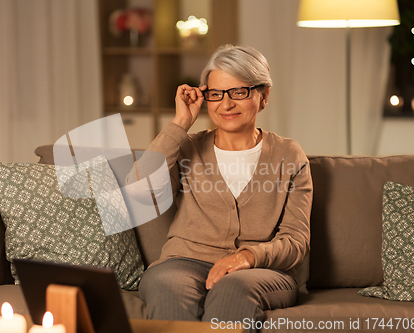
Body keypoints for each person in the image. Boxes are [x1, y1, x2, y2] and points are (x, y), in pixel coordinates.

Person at [134, 44, 313, 330]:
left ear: (263, 96)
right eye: (215, 94)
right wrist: (180, 123)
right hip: (183, 262)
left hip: (260, 270)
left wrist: (247, 257)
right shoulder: (188, 147)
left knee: (232, 289)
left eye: (238, 92)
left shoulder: (288, 155)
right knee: (166, 286)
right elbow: (139, 189)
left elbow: (296, 241)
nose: (226, 104)